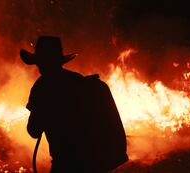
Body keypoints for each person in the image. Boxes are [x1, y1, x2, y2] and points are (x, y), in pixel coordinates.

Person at [21, 36, 128, 173]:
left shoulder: (41, 88)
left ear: (40, 62)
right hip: (93, 162)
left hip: (65, 164)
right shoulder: (78, 81)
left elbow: (33, 131)